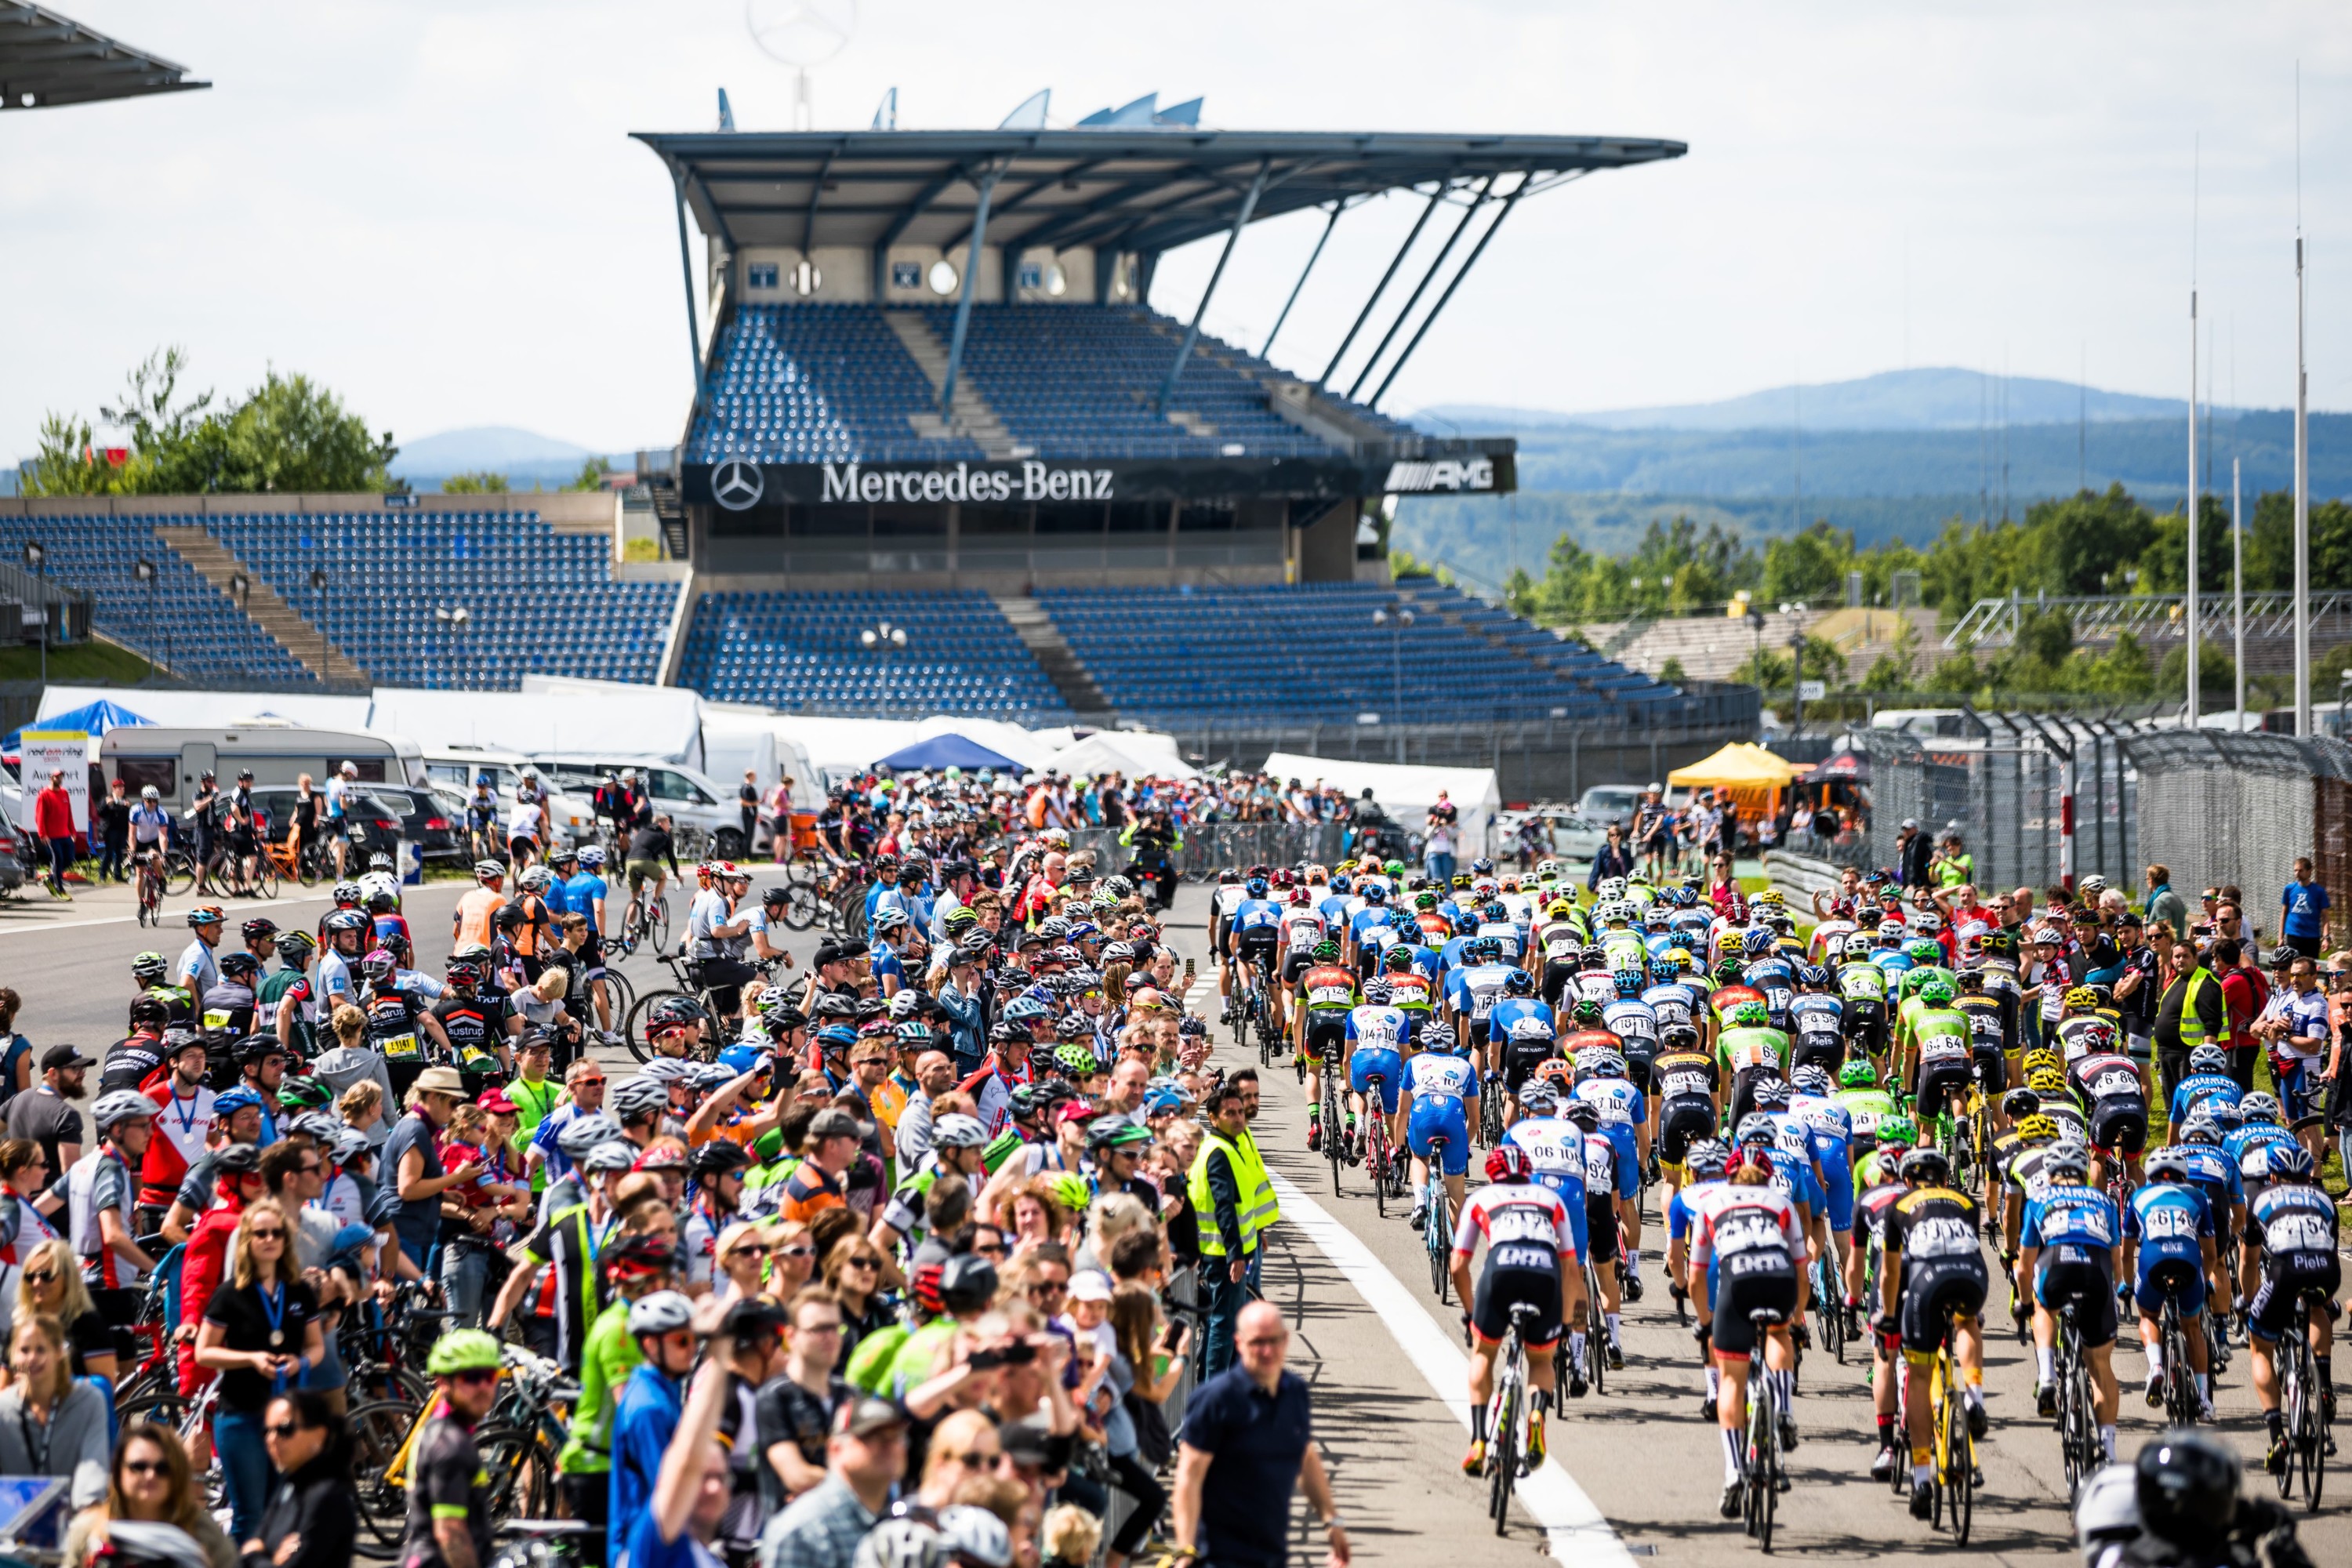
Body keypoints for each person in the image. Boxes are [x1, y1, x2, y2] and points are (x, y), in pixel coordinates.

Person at [1171, 1300, 1348, 1568]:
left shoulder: (1296, 1393)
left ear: (1286, 1340)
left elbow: (1305, 1457)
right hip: (1219, 1557)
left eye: (1273, 1341)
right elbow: (1188, 1477)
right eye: (1257, 1343)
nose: (1267, 1351)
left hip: (1272, 1554)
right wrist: (1185, 1550)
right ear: (1239, 1342)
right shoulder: (1215, 1399)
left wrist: (1331, 1520)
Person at [194, 1200, 325, 1541]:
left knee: (282, 1515)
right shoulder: (229, 1293)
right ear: (247, 1241)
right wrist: (251, 1359)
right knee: (250, 1516)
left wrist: (301, 1362)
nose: (270, 1239)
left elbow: (316, 1346)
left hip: (287, 1420)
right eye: (261, 1233)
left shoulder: (298, 1291)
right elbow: (203, 1352)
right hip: (242, 1415)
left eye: (277, 1233)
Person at [758, 1392, 907, 1568]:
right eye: (872, 1436)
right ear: (836, 1449)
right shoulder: (804, 1529)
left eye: (895, 1437)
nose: (889, 1446)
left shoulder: (899, 1520)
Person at [60, 1424, 238, 1568]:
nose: (151, 1475)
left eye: (162, 1468)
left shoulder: (202, 1532)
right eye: (139, 1467)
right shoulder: (89, 1529)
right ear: (119, 1473)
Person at [402, 1330, 503, 1568]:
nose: (483, 1387)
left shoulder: (441, 1431)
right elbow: (451, 1534)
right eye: (471, 1377)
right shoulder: (450, 1447)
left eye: (490, 1376)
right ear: (442, 1382)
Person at [0, 1313, 110, 1508]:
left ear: (59, 1352)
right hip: (12, 1520)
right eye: (24, 1350)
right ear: (13, 1356)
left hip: (71, 1518)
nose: (32, 1358)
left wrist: (88, 1507)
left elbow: (93, 1465)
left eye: (41, 1350)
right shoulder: (4, 1408)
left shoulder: (89, 1402)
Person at [242, 1389, 358, 1568]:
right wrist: (266, 1557)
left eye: (285, 1429)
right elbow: (256, 1541)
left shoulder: (327, 1496)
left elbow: (293, 1560)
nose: (272, 1439)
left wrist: (254, 1556)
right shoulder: (289, 1484)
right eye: (266, 1431)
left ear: (319, 1434)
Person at [34, 768, 78, 899]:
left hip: (65, 834)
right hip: (52, 837)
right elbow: (39, 816)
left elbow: (69, 814)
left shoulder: (64, 793)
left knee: (69, 859)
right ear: (51, 777)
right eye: (56, 777)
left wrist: (73, 831)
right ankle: (60, 890)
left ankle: (51, 878)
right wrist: (42, 834)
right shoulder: (44, 795)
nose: (59, 779)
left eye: (61, 777)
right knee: (58, 860)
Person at [2280, 856, 2330, 959]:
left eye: (2301, 870)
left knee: (2310, 968)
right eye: (2295, 870)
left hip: (2311, 937)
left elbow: (2325, 916)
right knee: (2294, 966)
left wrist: (2326, 938)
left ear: (2309, 871)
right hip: (2293, 936)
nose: (2297, 873)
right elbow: (2284, 913)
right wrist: (2280, 937)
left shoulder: (2319, 891)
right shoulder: (2289, 889)